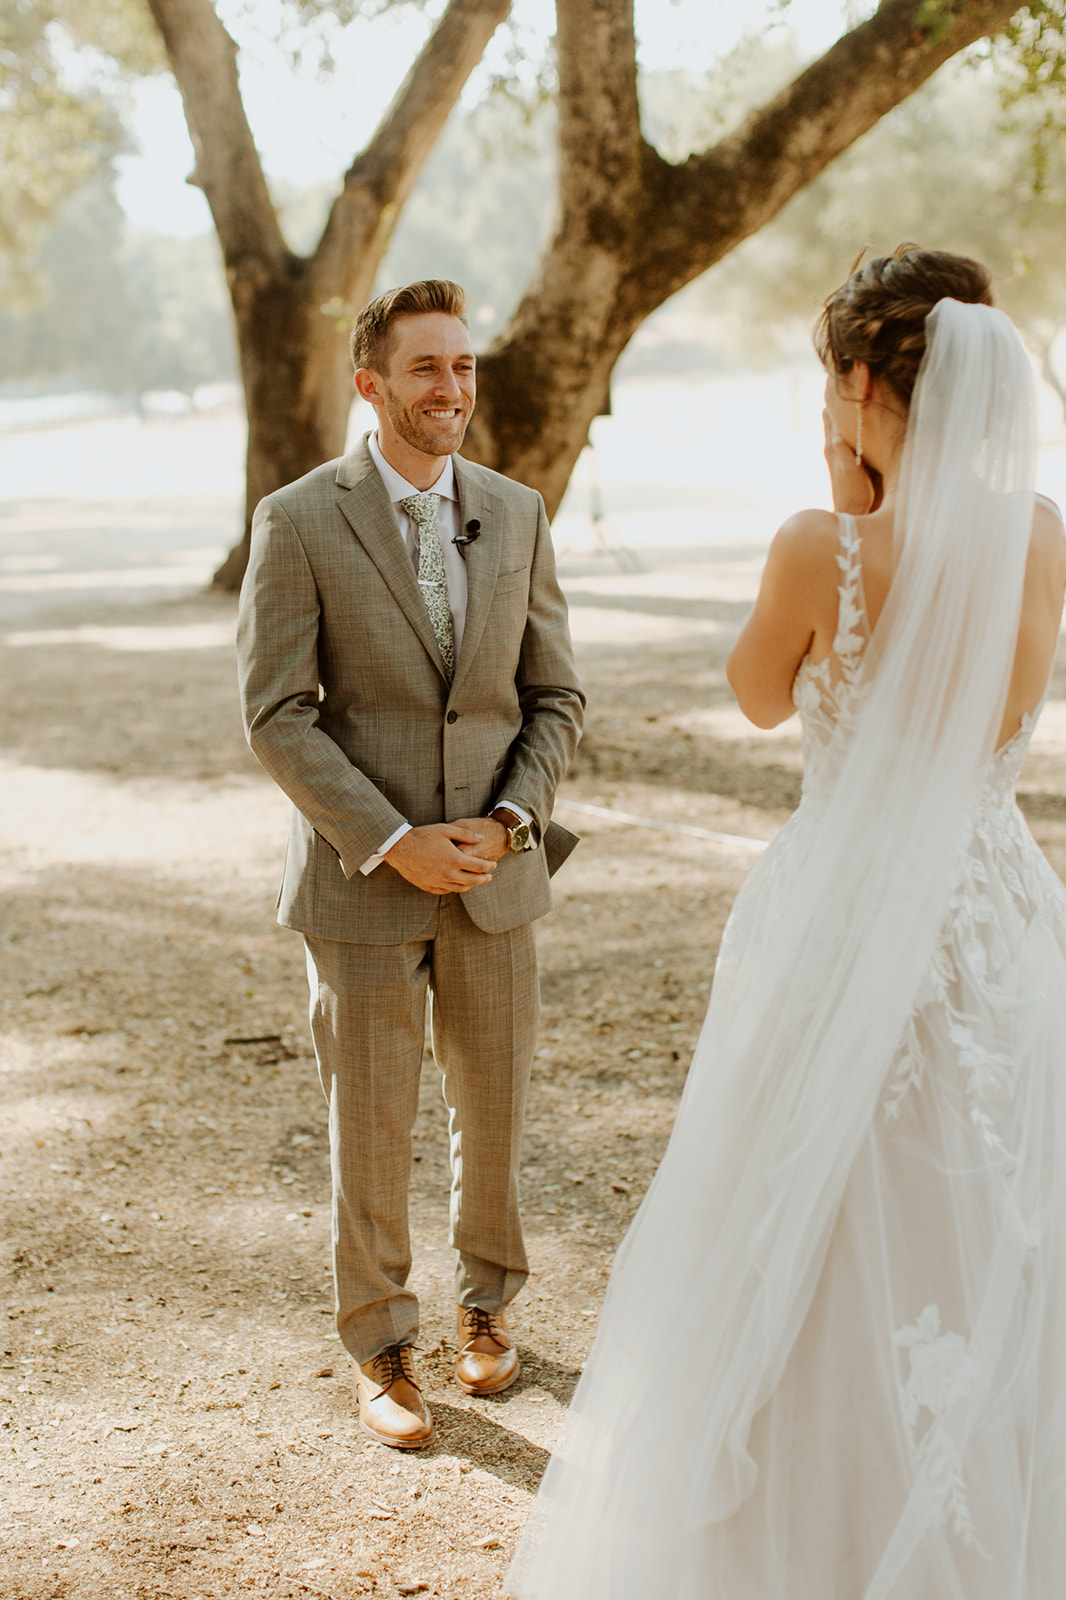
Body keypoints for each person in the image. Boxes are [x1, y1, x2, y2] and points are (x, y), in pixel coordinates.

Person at [506, 247, 1066, 1598]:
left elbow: (759, 694)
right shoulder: (1038, 530)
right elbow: (993, 708)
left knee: (796, 1203)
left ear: (862, 381)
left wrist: (837, 505)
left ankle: (794, 1529)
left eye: (831, 380)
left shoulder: (822, 545)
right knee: (983, 1202)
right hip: (990, 904)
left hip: (845, 901)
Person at [236, 279, 584, 1450]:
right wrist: (394, 840)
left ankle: (488, 1312)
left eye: (466, 366)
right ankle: (381, 1341)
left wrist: (510, 822)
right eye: (426, 369)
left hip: (496, 879)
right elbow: (277, 713)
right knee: (369, 1121)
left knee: (493, 1116)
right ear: (372, 383)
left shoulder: (518, 511)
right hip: (362, 884)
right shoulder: (296, 520)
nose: (452, 390)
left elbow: (554, 696)